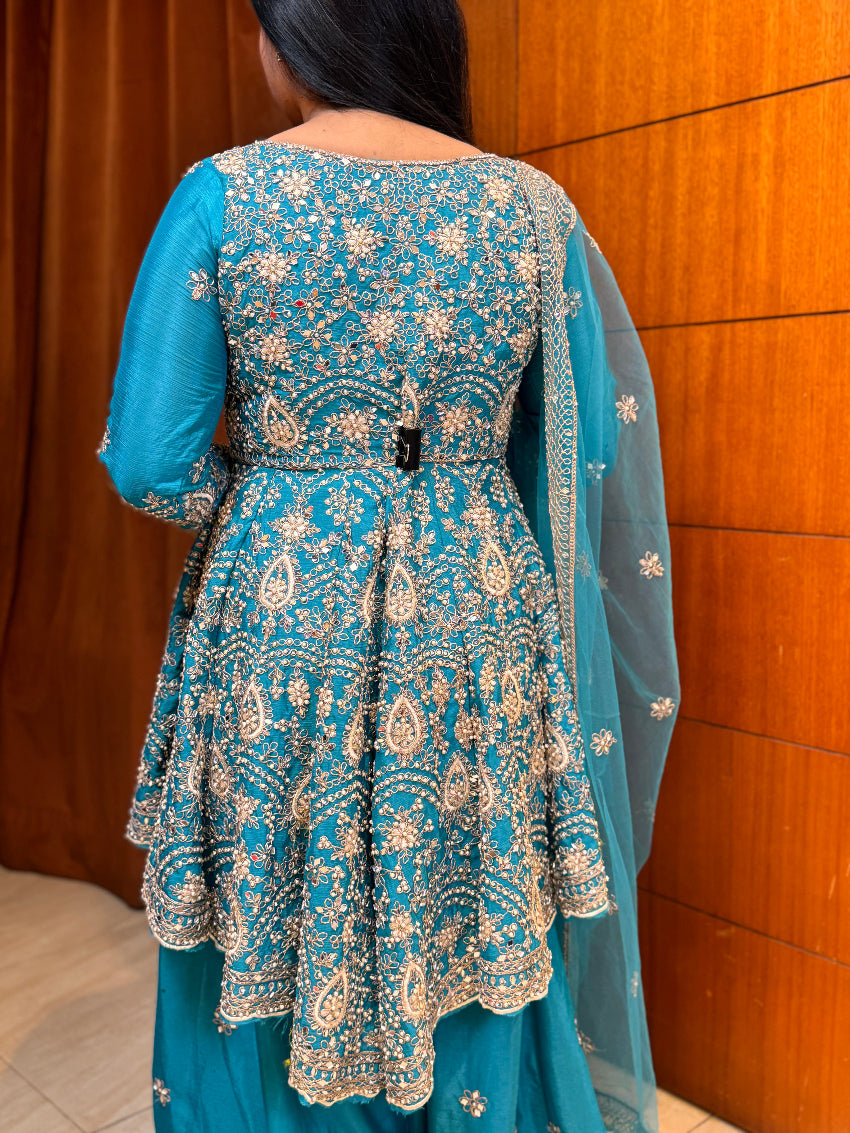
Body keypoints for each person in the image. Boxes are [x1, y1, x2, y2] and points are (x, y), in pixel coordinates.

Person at [96, 1, 679, 1130]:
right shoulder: (531, 207)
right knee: (465, 895)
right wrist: (447, 503)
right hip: (476, 602)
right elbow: (577, 450)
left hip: (281, 608)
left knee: (272, 899)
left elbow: (151, 458)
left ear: (296, 36)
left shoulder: (227, 193)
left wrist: (275, 509)